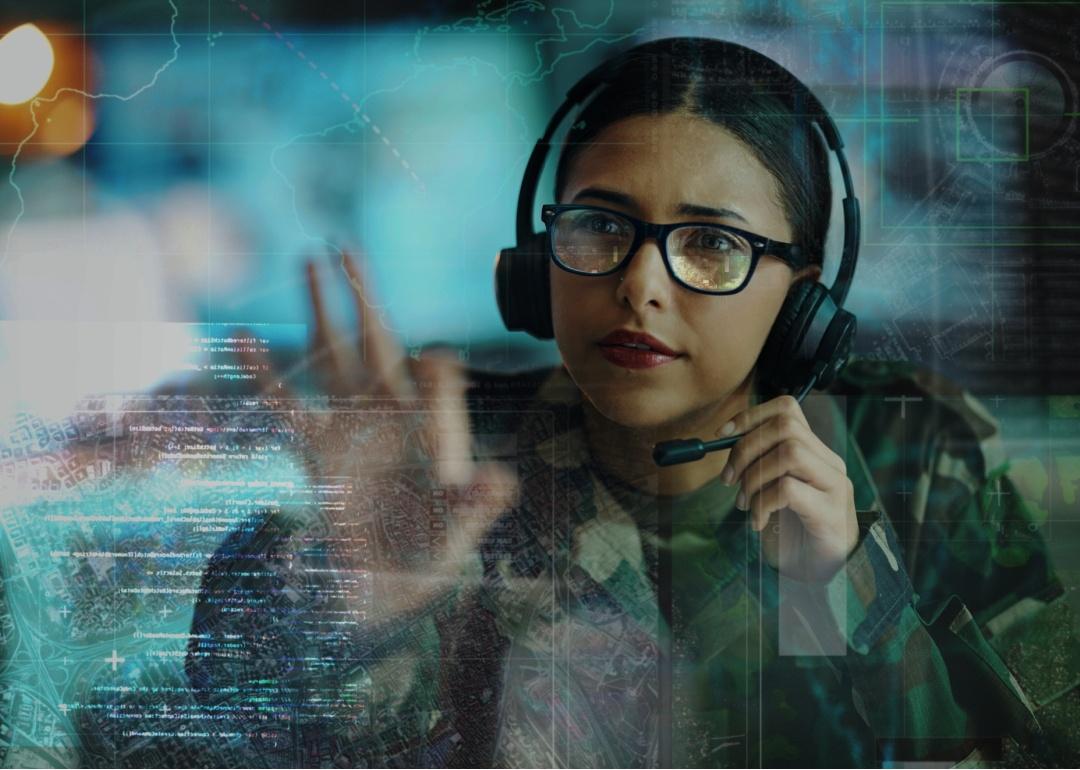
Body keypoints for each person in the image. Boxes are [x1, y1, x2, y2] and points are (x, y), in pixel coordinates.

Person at [185, 38, 1077, 767]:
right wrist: (358, 602)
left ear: (801, 302)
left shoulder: (911, 461)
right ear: (539, 264)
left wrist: (846, 588)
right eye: (601, 226)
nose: (641, 283)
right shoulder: (443, 458)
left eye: (712, 244)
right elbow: (235, 715)